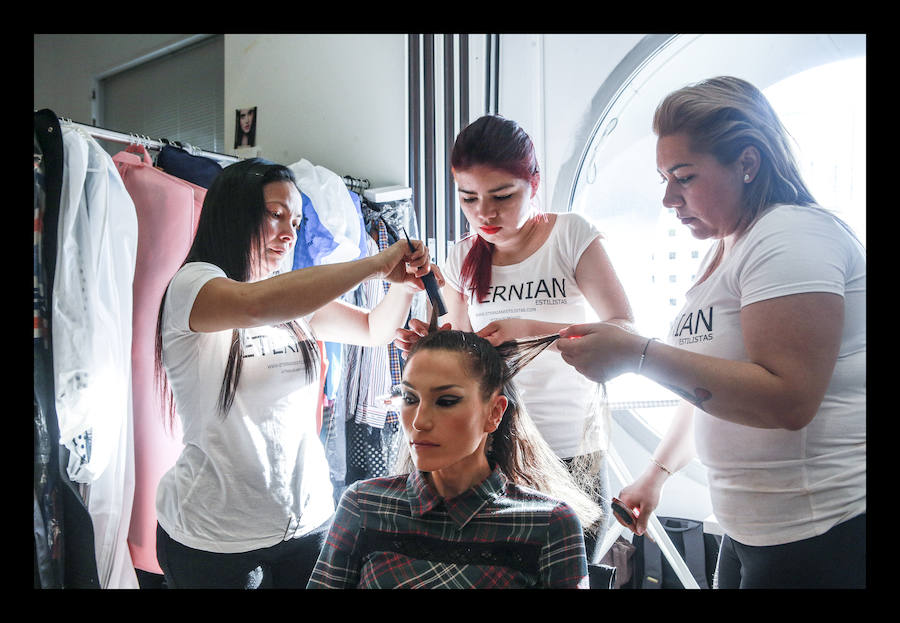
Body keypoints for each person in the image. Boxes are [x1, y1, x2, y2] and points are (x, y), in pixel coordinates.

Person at [556, 76, 866, 589]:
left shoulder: (790, 238)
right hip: (752, 529)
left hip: (819, 532)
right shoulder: (727, 248)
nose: (668, 199)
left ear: (747, 164)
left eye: (684, 176)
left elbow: (788, 401)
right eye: (664, 178)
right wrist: (657, 472)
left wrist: (637, 355)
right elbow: (711, 389)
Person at [153, 158, 433, 588]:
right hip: (215, 536)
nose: (289, 233)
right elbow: (254, 306)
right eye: (275, 214)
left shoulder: (292, 298)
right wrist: (376, 264)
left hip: (308, 522)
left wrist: (402, 283)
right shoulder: (195, 285)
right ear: (234, 212)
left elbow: (374, 329)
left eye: (297, 221)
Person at [394, 114, 633, 558]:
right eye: (468, 198)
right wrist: (428, 349)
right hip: (493, 447)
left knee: (575, 566)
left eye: (502, 196)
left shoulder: (570, 235)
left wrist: (528, 330)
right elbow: (462, 345)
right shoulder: (463, 254)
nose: (484, 213)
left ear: (533, 183)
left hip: (569, 445)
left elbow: (623, 330)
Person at [307, 329, 602, 588]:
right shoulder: (364, 504)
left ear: (494, 412)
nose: (419, 421)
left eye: (446, 401)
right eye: (410, 399)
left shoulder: (548, 524)